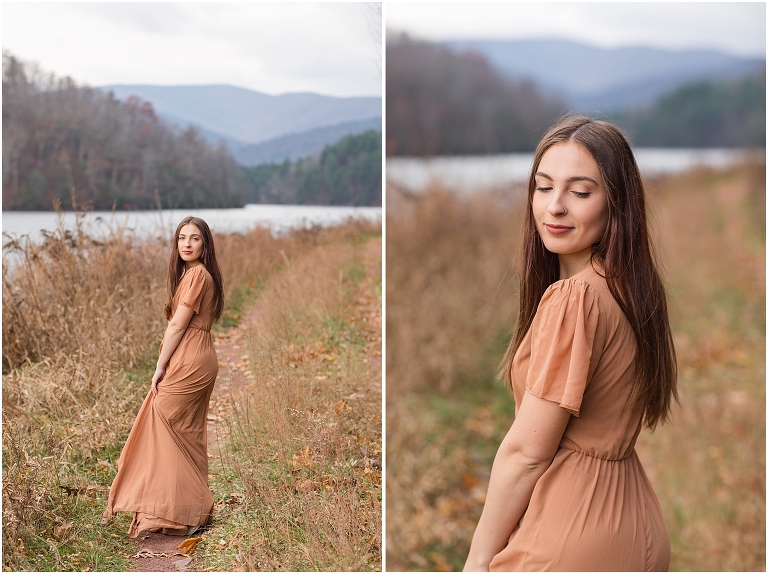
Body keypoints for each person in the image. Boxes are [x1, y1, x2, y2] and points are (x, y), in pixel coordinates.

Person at [463, 116, 678, 571]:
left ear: (617, 203)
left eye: (580, 192)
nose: (555, 207)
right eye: (543, 188)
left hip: (569, 534)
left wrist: (478, 559)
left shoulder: (576, 298)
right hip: (637, 524)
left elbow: (526, 454)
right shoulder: (628, 287)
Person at [104, 216, 224, 538]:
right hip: (198, 355)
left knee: (159, 419)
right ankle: (192, 510)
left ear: (205, 244)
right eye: (182, 237)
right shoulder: (193, 274)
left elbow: (177, 325)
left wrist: (160, 366)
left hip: (190, 359)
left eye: (195, 238)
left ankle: (182, 507)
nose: (187, 243)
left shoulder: (198, 274)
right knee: (185, 432)